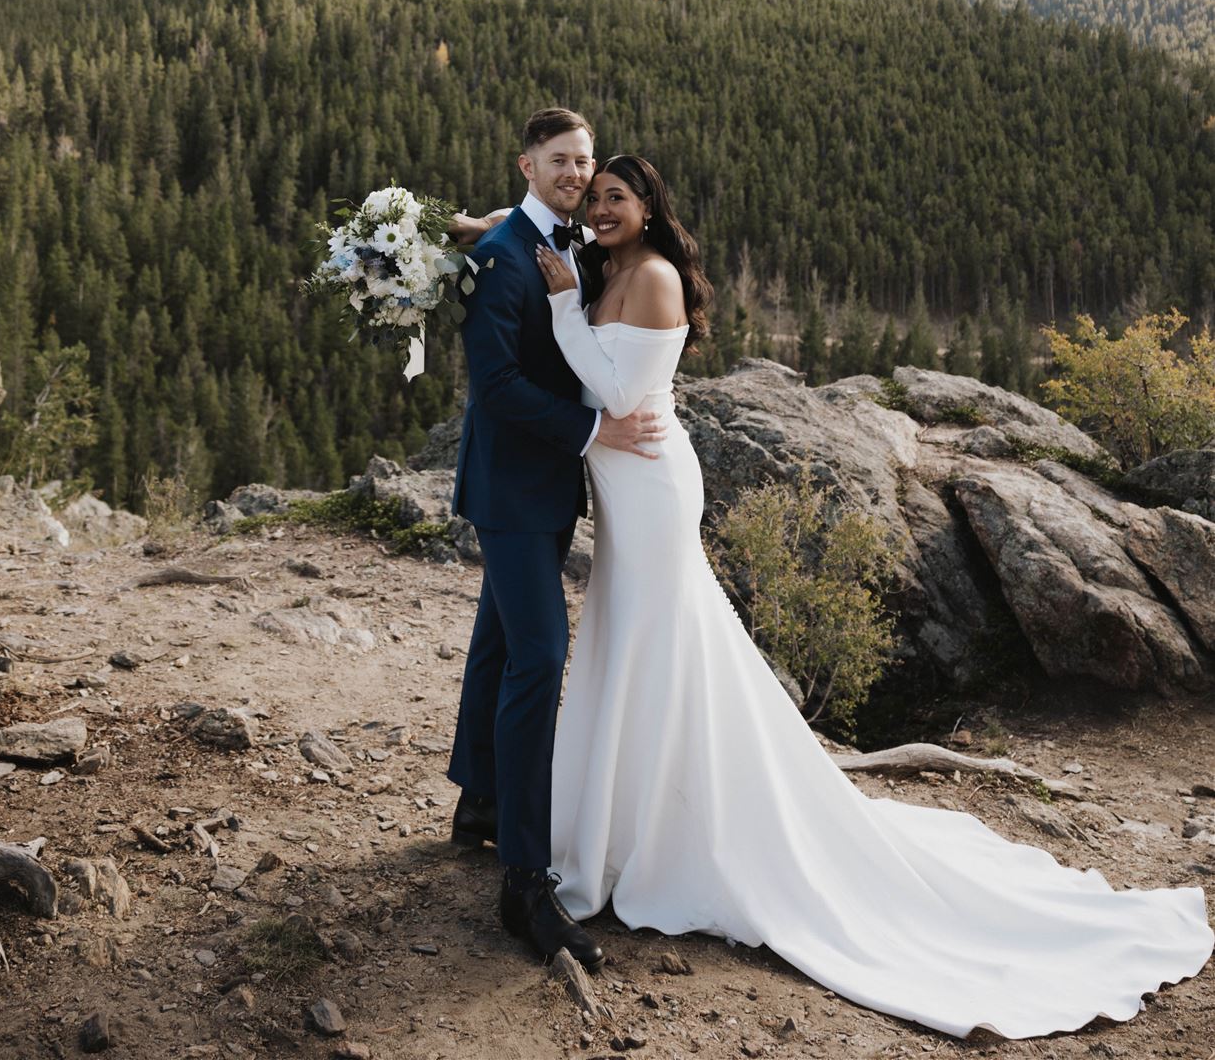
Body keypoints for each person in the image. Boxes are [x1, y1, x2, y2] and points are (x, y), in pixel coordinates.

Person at [526, 150, 1213, 1041]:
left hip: (651, 486)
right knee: (634, 639)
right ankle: (628, 820)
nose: (604, 209)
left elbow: (617, 391)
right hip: (623, 483)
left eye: (620, 198)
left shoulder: (650, 278)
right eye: (597, 199)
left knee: (657, 642)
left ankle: (660, 833)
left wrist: (554, 305)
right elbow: (551, 264)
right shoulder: (599, 263)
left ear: (651, 212)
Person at [445, 108, 666, 970]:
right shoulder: (501, 261)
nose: (576, 172)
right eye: (560, 160)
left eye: (583, 159)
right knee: (539, 657)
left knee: (499, 645)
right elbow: (495, 384)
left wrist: (492, 215)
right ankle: (525, 882)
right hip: (511, 487)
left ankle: (481, 807)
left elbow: (520, 223)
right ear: (527, 164)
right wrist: (590, 434)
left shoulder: (556, 237)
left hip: (542, 488)